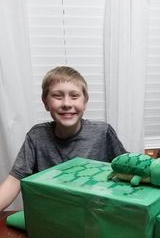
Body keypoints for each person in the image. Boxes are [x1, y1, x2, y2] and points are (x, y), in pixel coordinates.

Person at [0, 66, 126, 211]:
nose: (66, 104)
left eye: (74, 96)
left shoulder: (102, 133)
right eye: (58, 96)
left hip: (95, 213)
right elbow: (13, 182)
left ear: (85, 102)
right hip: (53, 215)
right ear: (45, 102)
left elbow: (128, 169)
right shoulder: (36, 137)